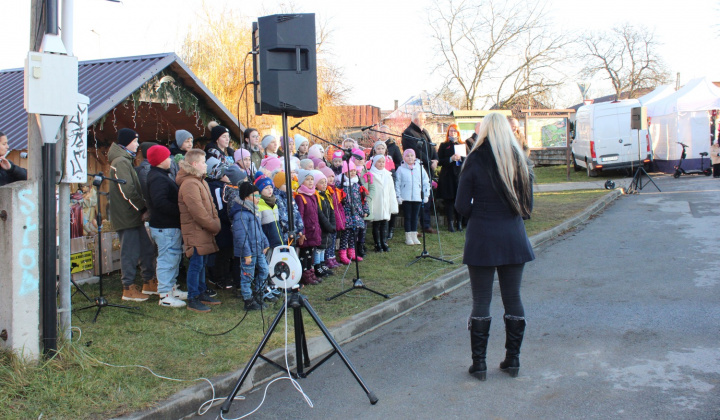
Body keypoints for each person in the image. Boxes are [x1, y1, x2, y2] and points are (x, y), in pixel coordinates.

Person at [455, 113, 534, 381]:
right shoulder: (520, 158)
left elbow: (462, 206)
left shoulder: (474, 159)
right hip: (512, 235)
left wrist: (483, 209)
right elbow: (527, 208)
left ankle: (479, 365)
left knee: (481, 300)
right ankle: (513, 360)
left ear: (485, 130)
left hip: (482, 237)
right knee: (513, 298)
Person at [107, 128, 157, 301]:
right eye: (135, 141)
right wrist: (143, 208)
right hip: (126, 216)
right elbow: (127, 189)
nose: (137, 145)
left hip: (133, 215)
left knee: (146, 248)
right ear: (126, 142)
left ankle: (148, 282)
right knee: (129, 252)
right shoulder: (120, 162)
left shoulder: (126, 160)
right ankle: (128, 288)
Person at [176, 149, 223, 312]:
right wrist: (213, 225)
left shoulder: (200, 181)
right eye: (203, 162)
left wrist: (216, 221)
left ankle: (201, 292)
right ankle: (193, 297)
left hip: (205, 230)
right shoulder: (189, 184)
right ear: (195, 164)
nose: (206, 165)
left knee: (202, 263)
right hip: (196, 231)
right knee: (196, 264)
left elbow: (211, 206)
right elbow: (198, 212)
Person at [145, 145, 188, 308]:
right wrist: (180, 211)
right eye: (167, 157)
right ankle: (164, 295)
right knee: (167, 259)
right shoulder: (157, 178)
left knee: (174, 257)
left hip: (169, 226)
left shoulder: (162, 175)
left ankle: (172, 288)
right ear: (159, 160)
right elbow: (160, 202)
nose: (170, 159)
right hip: (165, 226)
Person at [228, 182, 270, 311]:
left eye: (258, 195)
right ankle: (248, 300)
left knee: (264, 271)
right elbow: (241, 236)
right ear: (246, 197)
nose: (258, 198)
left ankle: (259, 294)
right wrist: (246, 254)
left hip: (258, 250)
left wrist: (265, 243)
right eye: (255, 195)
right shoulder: (241, 214)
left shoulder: (254, 212)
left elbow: (260, 231)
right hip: (249, 253)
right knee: (247, 276)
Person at [401, 111, 439, 234]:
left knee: (427, 196)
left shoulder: (425, 132)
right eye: (423, 119)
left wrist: (436, 159)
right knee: (417, 198)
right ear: (416, 120)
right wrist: (429, 161)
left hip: (428, 168)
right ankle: (414, 228)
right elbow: (415, 152)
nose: (425, 121)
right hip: (417, 168)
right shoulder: (408, 133)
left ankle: (426, 225)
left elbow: (432, 147)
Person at [395, 148, 430, 246]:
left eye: (412, 155)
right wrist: (398, 196)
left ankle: (414, 236)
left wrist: (426, 194)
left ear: (415, 157)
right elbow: (397, 183)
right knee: (408, 217)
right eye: (407, 156)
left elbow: (425, 181)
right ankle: (408, 237)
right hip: (405, 197)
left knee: (415, 217)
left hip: (417, 197)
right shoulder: (400, 169)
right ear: (404, 157)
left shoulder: (420, 168)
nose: (410, 157)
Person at [337, 160, 369, 263]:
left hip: (357, 214)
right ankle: (342, 254)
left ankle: (352, 253)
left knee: (353, 235)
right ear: (345, 172)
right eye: (350, 171)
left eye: (354, 170)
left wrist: (365, 210)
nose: (353, 173)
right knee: (345, 235)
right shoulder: (342, 186)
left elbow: (363, 199)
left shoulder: (358, 184)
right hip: (346, 214)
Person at [295, 169, 322, 285]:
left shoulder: (313, 195)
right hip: (306, 231)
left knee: (311, 253)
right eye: (307, 179)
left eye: (312, 179)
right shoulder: (300, 197)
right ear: (301, 181)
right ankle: (305, 275)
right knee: (304, 254)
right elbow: (300, 215)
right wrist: (301, 232)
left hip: (313, 229)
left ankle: (311, 272)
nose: (310, 182)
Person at [437, 124, 465, 232]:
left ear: (458, 133)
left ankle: (459, 223)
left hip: (459, 176)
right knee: (449, 201)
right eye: (450, 131)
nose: (452, 133)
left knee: (459, 199)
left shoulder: (462, 145)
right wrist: (450, 159)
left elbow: (466, 160)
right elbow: (439, 161)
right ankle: (450, 224)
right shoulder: (444, 145)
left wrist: (459, 159)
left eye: (454, 131)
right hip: (447, 177)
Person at [367, 155, 398, 252]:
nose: (381, 164)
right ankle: (377, 244)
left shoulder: (388, 174)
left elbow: (391, 190)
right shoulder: (370, 174)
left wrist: (393, 204)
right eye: (379, 162)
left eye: (383, 162)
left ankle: (384, 242)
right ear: (374, 163)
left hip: (385, 202)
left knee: (385, 223)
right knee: (376, 224)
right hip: (376, 202)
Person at [313, 169, 336, 277]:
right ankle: (317, 266)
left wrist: (332, 224)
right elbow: (319, 213)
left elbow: (331, 211)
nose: (324, 185)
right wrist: (327, 225)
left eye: (325, 182)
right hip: (321, 227)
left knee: (324, 246)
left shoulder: (326, 195)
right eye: (321, 183)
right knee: (319, 248)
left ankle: (322, 264)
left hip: (327, 227)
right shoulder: (316, 196)